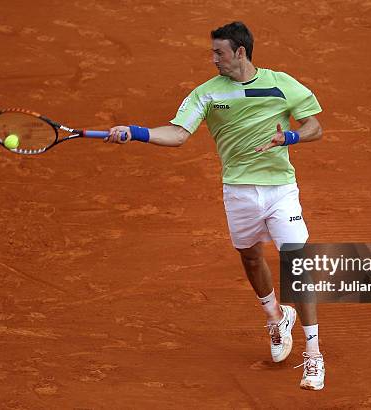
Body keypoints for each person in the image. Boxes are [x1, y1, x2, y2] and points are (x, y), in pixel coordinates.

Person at [105, 21, 325, 390]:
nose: (213, 60)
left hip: (280, 190)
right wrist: (136, 132)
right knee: (250, 256)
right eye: (212, 53)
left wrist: (287, 135)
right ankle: (275, 317)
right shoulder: (206, 94)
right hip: (238, 191)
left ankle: (314, 355)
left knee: (297, 264)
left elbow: (315, 127)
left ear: (240, 52)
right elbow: (177, 133)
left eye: (218, 53)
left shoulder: (281, 83)